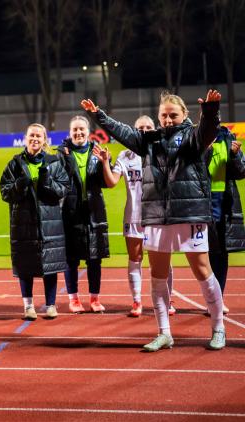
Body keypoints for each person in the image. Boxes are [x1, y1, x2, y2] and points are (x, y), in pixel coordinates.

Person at [82, 89, 226, 351]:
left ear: (184, 115)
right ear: (159, 117)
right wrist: (97, 115)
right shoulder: (149, 140)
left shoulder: (193, 136)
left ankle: (218, 328)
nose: (168, 119)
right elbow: (123, 131)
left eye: (173, 115)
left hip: (189, 213)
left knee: (202, 272)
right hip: (157, 215)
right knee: (157, 276)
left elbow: (208, 132)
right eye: (164, 115)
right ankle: (164, 333)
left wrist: (211, 111)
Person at [92, 116, 175, 317]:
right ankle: (137, 301)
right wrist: (105, 163)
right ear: (135, 131)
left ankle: (168, 300)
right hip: (134, 216)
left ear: (153, 129)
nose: (144, 130)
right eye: (140, 128)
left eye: (148, 127)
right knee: (135, 258)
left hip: (158, 215)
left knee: (162, 260)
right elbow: (111, 182)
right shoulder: (125, 156)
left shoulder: (162, 152)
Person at [0, 123, 70, 320]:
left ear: (45, 139)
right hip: (23, 223)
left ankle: (51, 305)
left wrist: (47, 180)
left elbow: (63, 189)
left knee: (51, 264)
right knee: (25, 265)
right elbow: (5, 192)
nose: (35, 139)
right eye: (31, 135)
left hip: (50, 223)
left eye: (38, 136)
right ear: (25, 138)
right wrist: (20, 184)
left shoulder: (54, 162)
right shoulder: (14, 164)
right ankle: (28, 306)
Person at [57, 116, 110, 313]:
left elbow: (107, 182)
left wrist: (105, 162)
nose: (78, 133)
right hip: (70, 212)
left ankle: (95, 299)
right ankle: (74, 299)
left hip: (94, 211)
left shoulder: (97, 152)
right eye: (75, 130)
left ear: (88, 132)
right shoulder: (62, 154)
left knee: (94, 258)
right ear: (70, 133)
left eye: (82, 130)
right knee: (71, 258)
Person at [205, 126, 245, 312]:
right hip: (202, 202)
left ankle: (218, 298)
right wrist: (206, 150)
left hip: (225, 204)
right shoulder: (199, 139)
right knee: (204, 253)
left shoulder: (230, 140)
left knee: (221, 252)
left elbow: (241, 172)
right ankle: (212, 298)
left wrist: (236, 155)